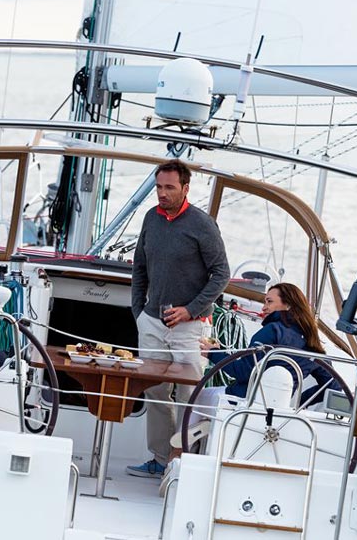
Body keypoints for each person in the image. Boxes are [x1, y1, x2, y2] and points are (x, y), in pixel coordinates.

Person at [127, 160, 230, 478]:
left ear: (185, 188)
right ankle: (160, 458)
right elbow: (140, 267)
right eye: (158, 187)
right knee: (156, 391)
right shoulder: (150, 219)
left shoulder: (201, 224)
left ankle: (185, 464)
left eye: (169, 187)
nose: (162, 193)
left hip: (189, 326)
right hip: (151, 322)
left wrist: (190, 309)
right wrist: (139, 312)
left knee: (189, 394)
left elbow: (221, 274)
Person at [204, 282, 341, 408]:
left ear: (288, 305)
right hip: (277, 412)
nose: (264, 307)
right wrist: (299, 402)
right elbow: (334, 386)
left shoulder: (272, 331)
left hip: (239, 401)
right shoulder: (313, 344)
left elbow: (243, 373)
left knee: (198, 397)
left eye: (269, 302)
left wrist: (213, 353)